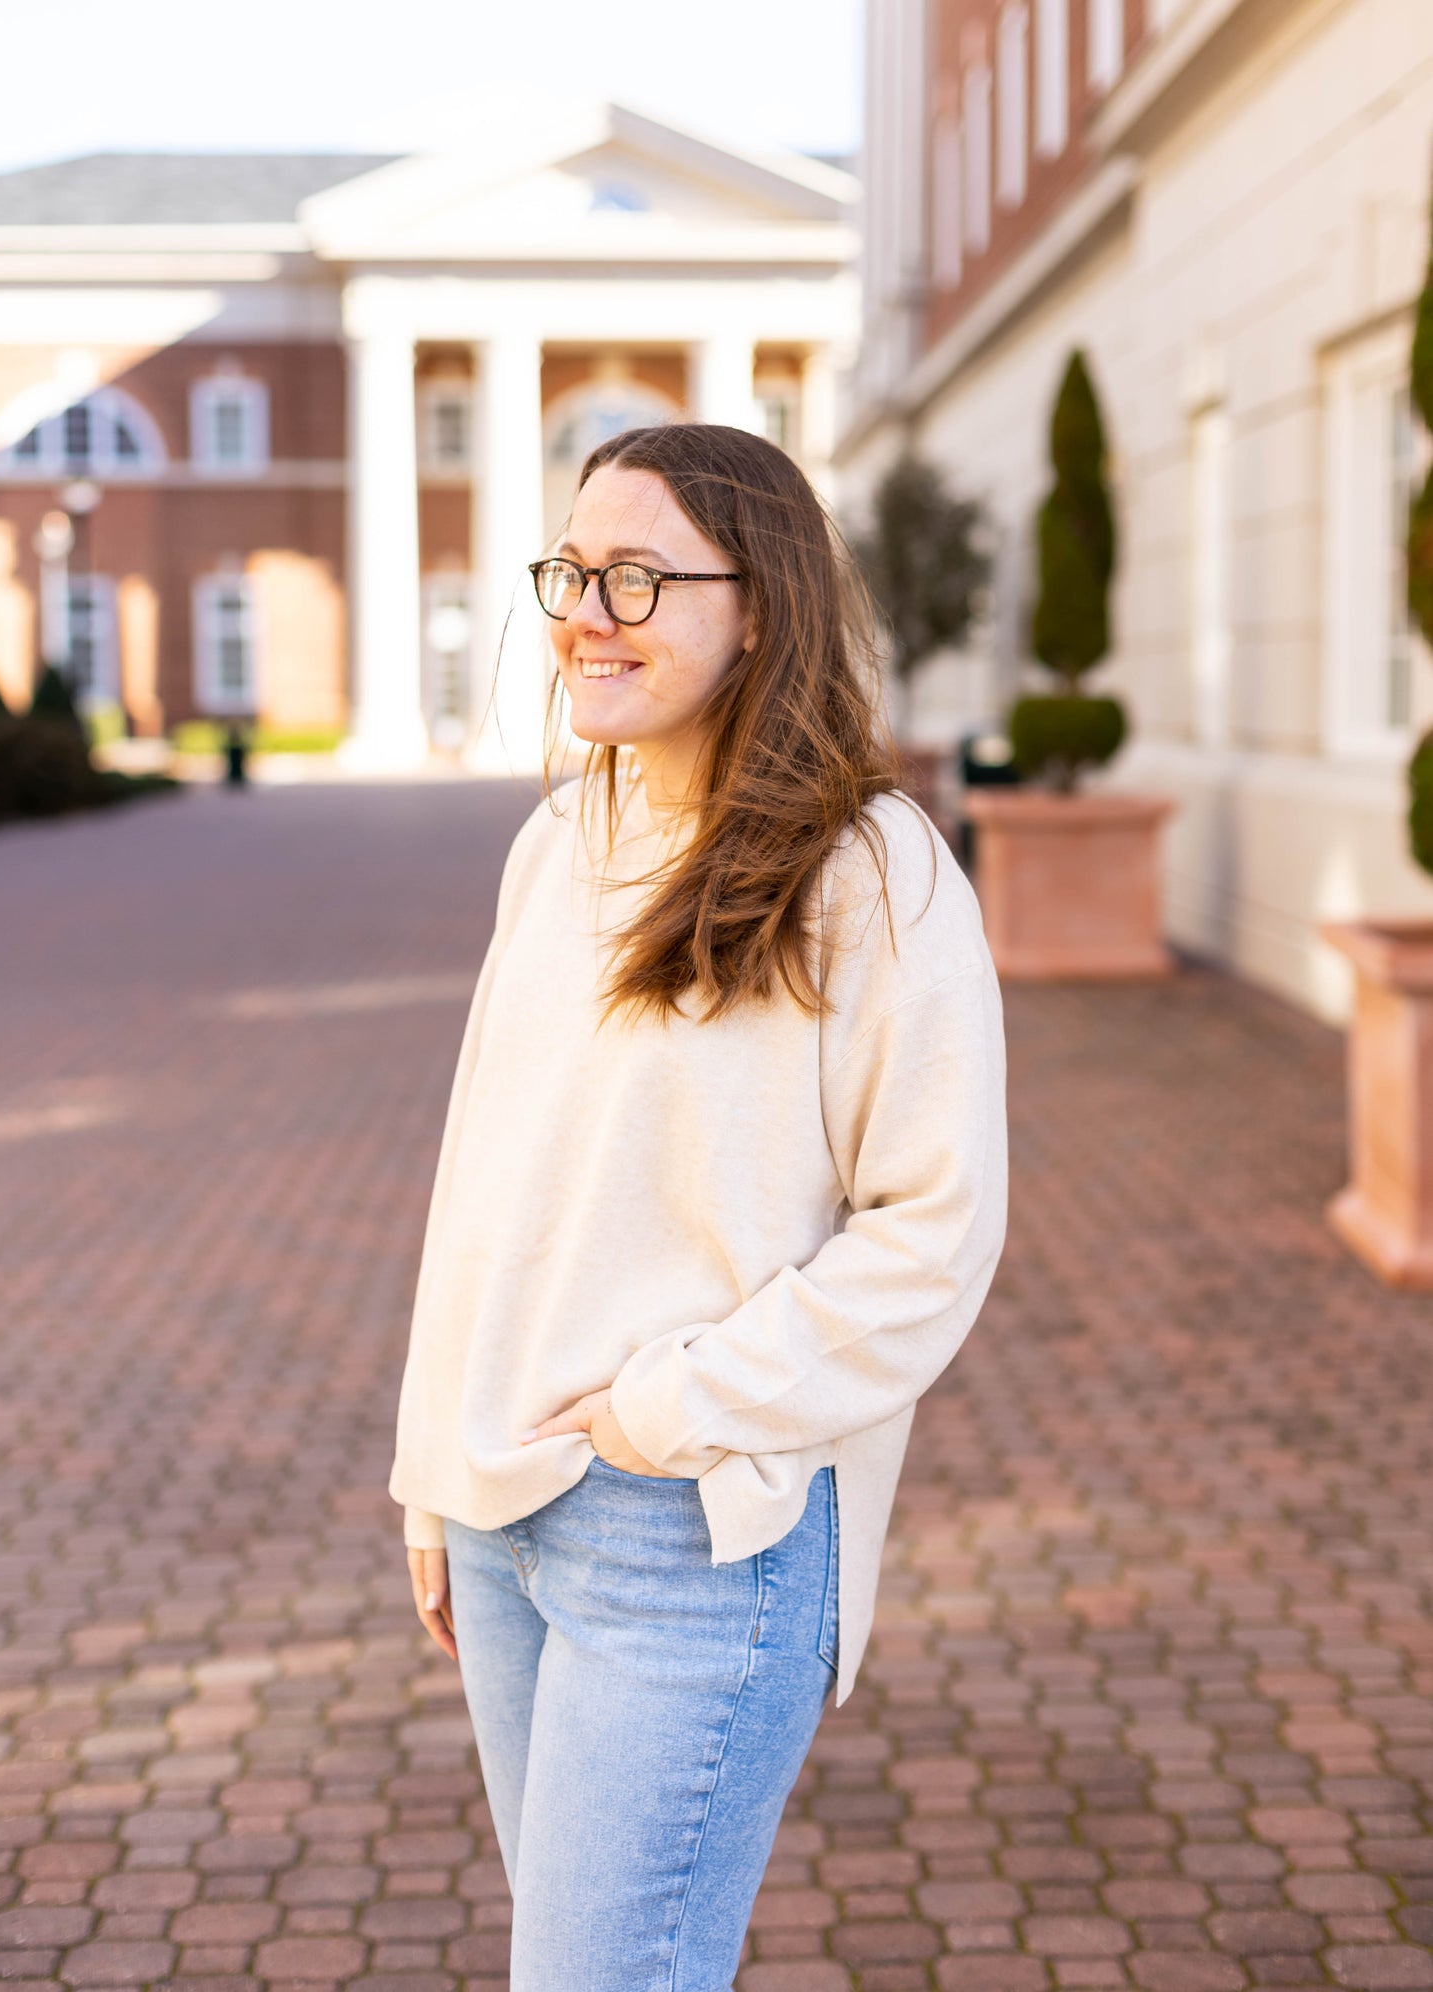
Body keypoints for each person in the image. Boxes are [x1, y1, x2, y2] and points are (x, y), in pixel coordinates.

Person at [390, 421, 1008, 1991]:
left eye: (640, 575)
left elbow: (931, 1235)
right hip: (505, 1512)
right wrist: (429, 1468)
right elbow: (485, 1175)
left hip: (698, 1531)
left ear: (761, 607)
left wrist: (675, 1409)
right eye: (572, 570)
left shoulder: (875, 874)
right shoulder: (560, 842)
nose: (584, 608)